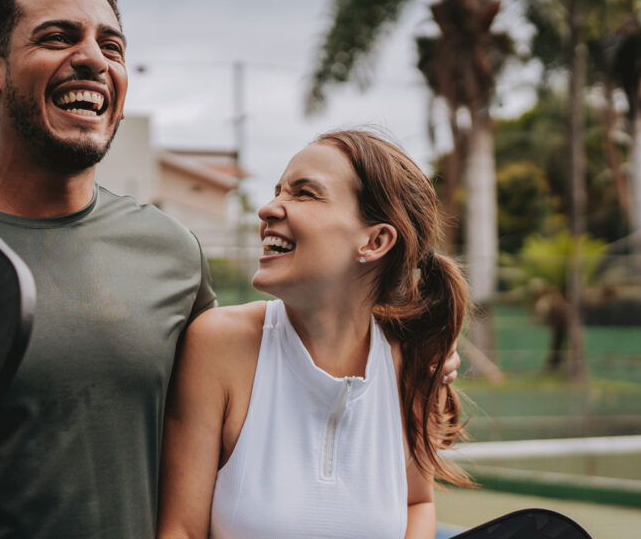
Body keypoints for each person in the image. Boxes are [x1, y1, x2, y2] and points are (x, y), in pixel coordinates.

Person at [0, 0, 460, 538]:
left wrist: (409, 340)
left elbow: (266, 378)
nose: (93, 58)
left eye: (112, 45)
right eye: (58, 37)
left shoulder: (171, 254)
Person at [157, 129, 473, 539]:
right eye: (278, 191)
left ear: (375, 240)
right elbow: (180, 530)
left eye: (304, 194)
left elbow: (417, 502)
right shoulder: (218, 343)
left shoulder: (412, 361)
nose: (268, 208)